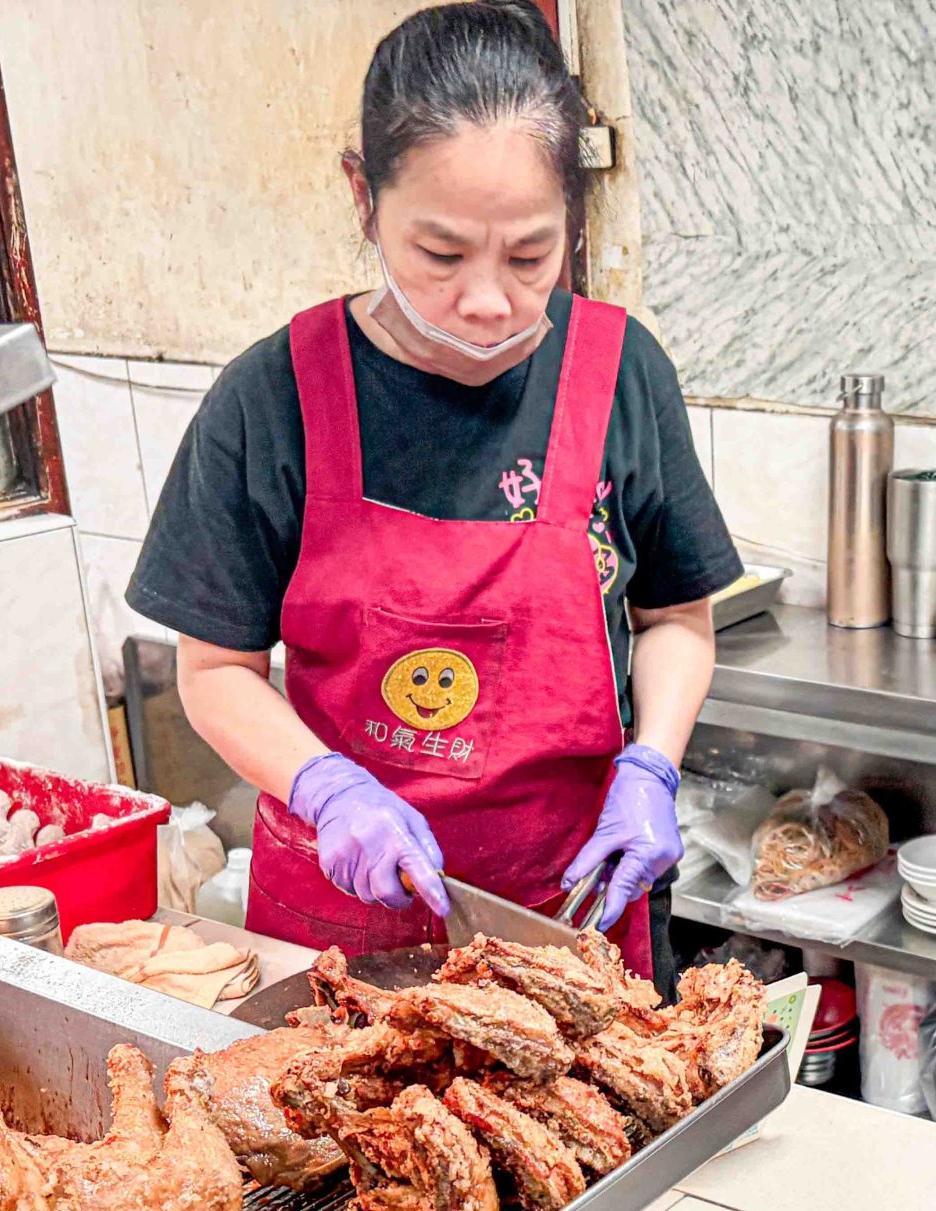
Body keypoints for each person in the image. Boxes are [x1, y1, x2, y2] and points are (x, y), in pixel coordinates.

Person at [130, 0, 738, 990]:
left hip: (570, 913)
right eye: (442, 254)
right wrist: (327, 791)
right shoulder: (273, 397)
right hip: (343, 918)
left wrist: (653, 767)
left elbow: (677, 617)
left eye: (531, 255)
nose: (490, 299)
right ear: (363, 199)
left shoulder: (620, 372)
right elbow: (213, 672)